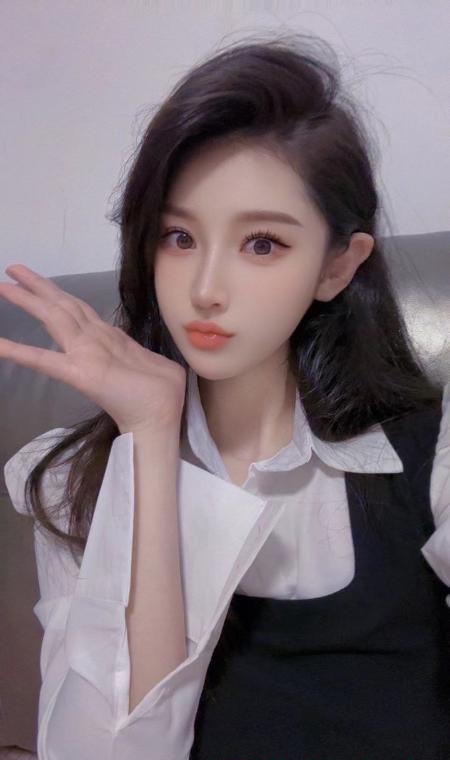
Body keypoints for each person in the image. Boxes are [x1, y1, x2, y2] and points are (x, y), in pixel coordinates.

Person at [2, 31, 449, 760]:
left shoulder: (431, 459)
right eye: (178, 237)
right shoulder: (73, 480)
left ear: (337, 267)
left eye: (262, 243)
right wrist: (151, 440)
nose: (205, 290)